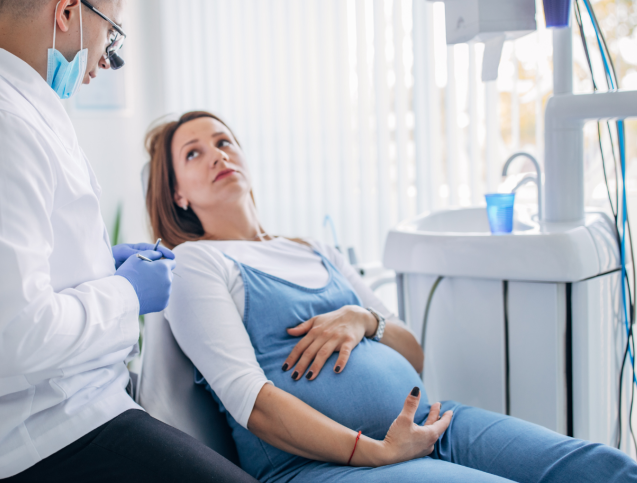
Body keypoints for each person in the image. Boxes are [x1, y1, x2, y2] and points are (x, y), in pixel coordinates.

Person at [144, 110, 637, 483]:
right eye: (193, 153)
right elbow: (253, 402)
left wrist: (363, 319)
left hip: (435, 424)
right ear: (178, 195)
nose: (217, 155)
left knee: (606, 468)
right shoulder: (196, 263)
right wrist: (374, 451)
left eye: (224, 141)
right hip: (329, 465)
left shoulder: (317, 250)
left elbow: (412, 351)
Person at [0, 0, 257, 482]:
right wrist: (127, 293)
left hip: (76, 404)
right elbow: (12, 337)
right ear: (68, 12)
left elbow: (17, 277)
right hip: (45, 430)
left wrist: (95, 265)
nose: (105, 62)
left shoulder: (13, 107)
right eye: (111, 35)